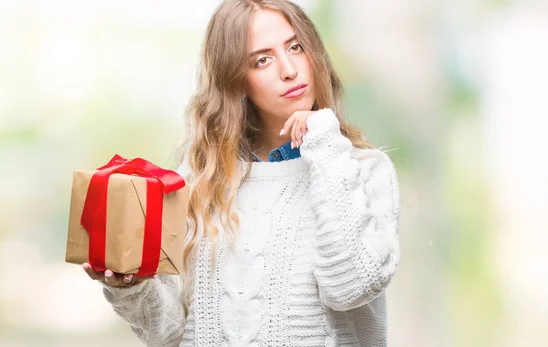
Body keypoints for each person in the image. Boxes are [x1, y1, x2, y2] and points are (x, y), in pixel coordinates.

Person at [82, 0, 401, 346]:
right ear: (236, 81)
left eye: (296, 47)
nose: (289, 69)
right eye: (262, 60)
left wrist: (324, 140)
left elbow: (349, 286)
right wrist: (131, 288)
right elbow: (169, 335)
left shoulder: (364, 171)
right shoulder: (198, 180)